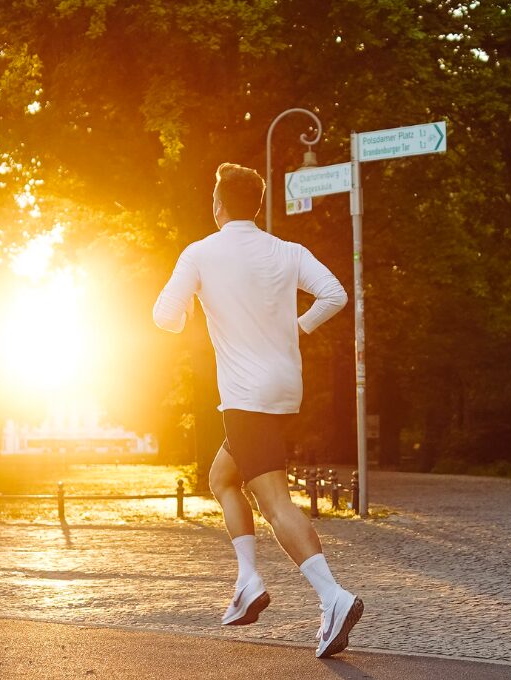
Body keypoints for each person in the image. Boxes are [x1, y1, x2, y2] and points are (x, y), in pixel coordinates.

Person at [152, 162, 363, 658]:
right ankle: (248, 580)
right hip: (283, 389)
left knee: (273, 501)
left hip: (245, 394)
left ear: (217, 204)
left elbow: (164, 316)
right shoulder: (287, 251)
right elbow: (335, 293)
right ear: (258, 206)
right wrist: (300, 327)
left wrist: (185, 314)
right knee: (222, 478)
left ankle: (333, 596)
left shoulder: (200, 252)